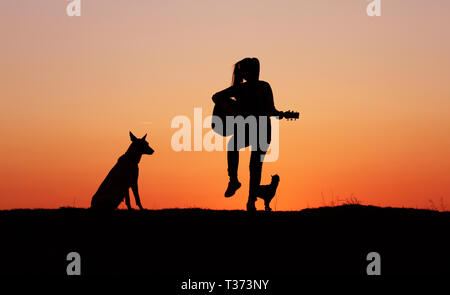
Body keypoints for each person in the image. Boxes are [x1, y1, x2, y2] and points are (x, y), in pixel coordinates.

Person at [212, 57, 282, 211]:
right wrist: (232, 109)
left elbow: (271, 109)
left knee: (255, 165)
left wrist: (280, 114)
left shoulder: (264, 87)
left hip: (263, 129)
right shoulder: (240, 89)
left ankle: (251, 201)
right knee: (236, 148)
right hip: (249, 129)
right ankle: (234, 180)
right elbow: (216, 97)